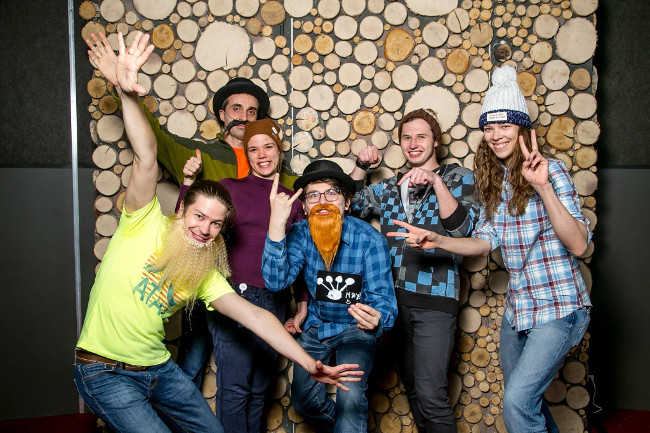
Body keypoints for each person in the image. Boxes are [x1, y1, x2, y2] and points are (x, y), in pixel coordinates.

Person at [76, 32, 362, 433]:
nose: (204, 229)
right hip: (104, 369)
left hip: (157, 366)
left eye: (215, 224)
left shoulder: (206, 271)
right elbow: (148, 154)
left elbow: (257, 317)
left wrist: (307, 362)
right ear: (182, 208)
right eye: (198, 217)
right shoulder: (142, 223)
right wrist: (126, 93)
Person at [85, 31, 298, 387]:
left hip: (251, 283)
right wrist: (123, 88)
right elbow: (153, 141)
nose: (244, 118)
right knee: (193, 359)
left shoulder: (277, 172)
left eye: (252, 112)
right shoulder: (200, 154)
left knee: (252, 371)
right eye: (236, 109)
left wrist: (354, 174)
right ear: (222, 114)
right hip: (200, 272)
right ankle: (177, 408)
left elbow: (315, 193)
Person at [388, 66, 591, 433]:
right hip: (519, 310)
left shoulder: (551, 171)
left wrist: (543, 187)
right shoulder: (494, 182)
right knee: (527, 403)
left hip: (558, 307)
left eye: (505, 126)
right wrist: (438, 240)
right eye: (489, 127)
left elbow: (578, 243)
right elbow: (483, 242)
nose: (496, 135)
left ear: (522, 129)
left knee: (517, 404)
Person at [349, 109, 479, 433]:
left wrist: (436, 182)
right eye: (406, 137)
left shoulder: (458, 177)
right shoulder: (390, 186)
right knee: (415, 393)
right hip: (393, 303)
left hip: (435, 301)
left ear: (436, 141)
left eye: (421, 136)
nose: (413, 143)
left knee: (432, 396)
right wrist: (361, 167)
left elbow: (462, 229)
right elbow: (351, 207)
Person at [175, 118, 304, 432]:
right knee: (235, 387)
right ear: (247, 154)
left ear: (279, 151)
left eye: (268, 147)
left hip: (274, 298)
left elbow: (298, 256)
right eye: (253, 149)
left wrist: (302, 304)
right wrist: (188, 183)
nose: (262, 154)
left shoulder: (292, 199)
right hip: (233, 295)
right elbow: (186, 223)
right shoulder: (230, 188)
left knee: (260, 388)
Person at [262, 160, 398, 433]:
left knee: (350, 401)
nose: (322, 202)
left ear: (346, 202)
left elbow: (384, 301)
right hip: (317, 324)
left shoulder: (370, 240)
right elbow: (276, 282)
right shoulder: (300, 234)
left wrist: (378, 318)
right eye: (313, 195)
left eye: (331, 193)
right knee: (304, 401)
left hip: (356, 329)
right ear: (304, 206)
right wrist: (276, 226)